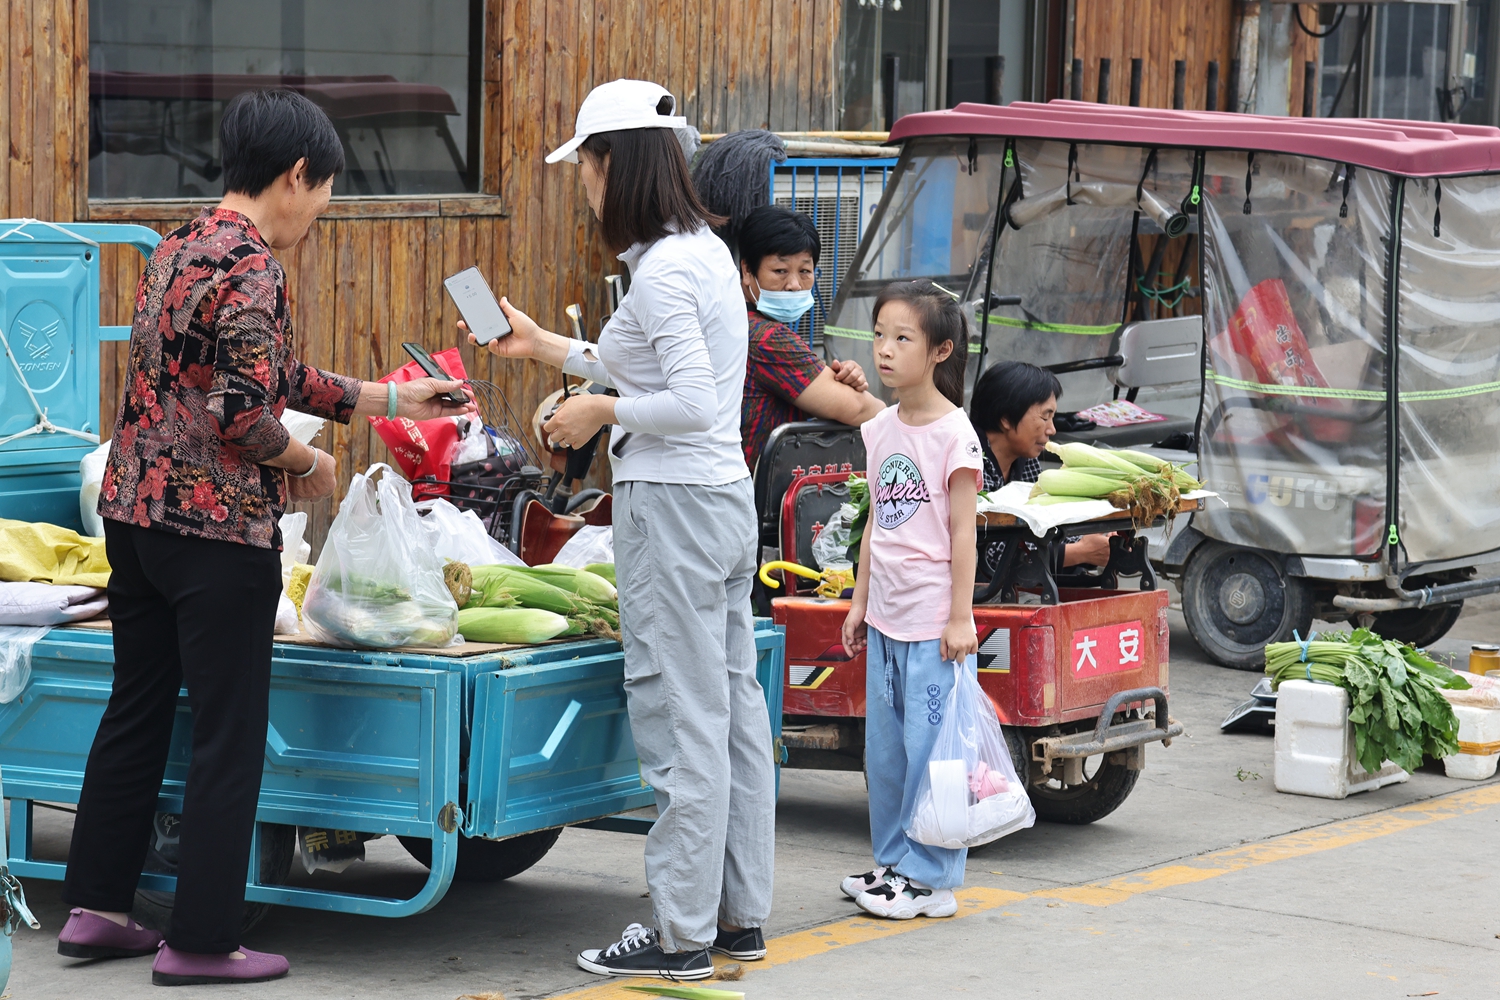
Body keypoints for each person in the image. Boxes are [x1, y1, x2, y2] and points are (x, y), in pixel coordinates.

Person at [58, 90, 472, 987]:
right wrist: (307, 469)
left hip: (135, 522)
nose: (321, 212)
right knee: (227, 733)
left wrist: (390, 399)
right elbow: (248, 414)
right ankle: (203, 941)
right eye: (324, 191)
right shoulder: (254, 268)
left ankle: (94, 911)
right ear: (296, 176)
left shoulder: (177, 248)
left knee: (134, 714)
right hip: (215, 535)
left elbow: (272, 373)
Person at [461, 79, 774, 982]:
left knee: (681, 723)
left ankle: (680, 935)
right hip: (717, 504)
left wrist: (598, 407)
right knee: (730, 718)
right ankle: (734, 918)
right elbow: (661, 365)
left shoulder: (667, 267)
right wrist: (547, 348)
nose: (583, 186)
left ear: (614, 163)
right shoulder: (696, 251)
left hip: (674, 507)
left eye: (586, 167)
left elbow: (692, 399)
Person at [839, 280, 983, 920]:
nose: (885, 350)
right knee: (887, 755)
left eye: (903, 338)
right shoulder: (881, 429)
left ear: (940, 350)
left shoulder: (956, 434)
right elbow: (875, 525)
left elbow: (962, 533)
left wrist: (961, 617)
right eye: (879, 336)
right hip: (887, 620)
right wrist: (857, 604)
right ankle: (893, 866)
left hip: (933, 625)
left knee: (936, 756)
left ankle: (934, 879)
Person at [737, 205, 883, 469]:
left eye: (805, 271)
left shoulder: (731, 321)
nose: (794, 284)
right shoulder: (768, 338)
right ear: (747, 271)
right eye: (780, 271)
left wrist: (843, 378)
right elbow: (862, 410)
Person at [969, 361, 1112, 573]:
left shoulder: (1024, 459)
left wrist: (1094, 538)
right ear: (1006, 418)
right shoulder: (971, 461)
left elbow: (1045, 519)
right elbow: (993, 553)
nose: (1052, 429)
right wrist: (1079, 552)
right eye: (1045, 417)